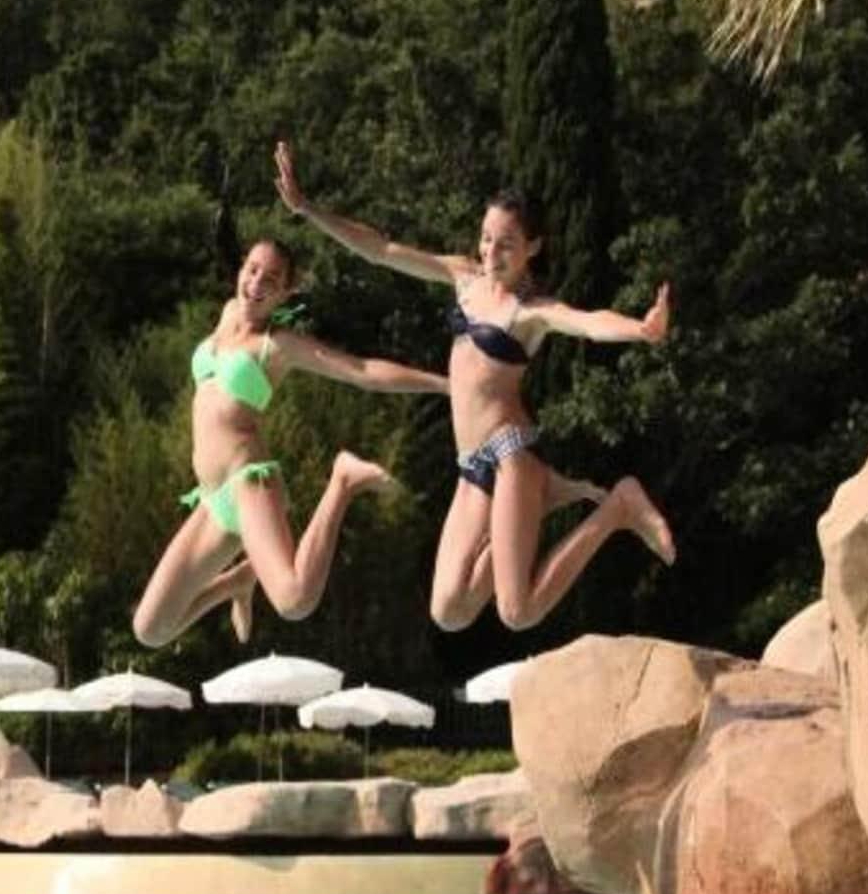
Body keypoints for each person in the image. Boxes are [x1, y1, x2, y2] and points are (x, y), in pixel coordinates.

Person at [274, 141, 676, 632]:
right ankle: (541, 502)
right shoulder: (463, 277)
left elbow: (589, 322)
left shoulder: (529, 312)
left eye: (505, 244)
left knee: (518, 612)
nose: (490, 252)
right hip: (471, 467)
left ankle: (618, 506)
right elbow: (380, 250)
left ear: (532, 247)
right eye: (486, 238)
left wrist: (640, 329)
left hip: (510, 454)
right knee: (448, 612)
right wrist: (308, 209)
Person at [131, 237, 447, 648]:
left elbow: (362, 370)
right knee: (151, 629)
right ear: (240, 270)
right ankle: (237, 583)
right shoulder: (227, 314)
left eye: (271, 279)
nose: (256, 283)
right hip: (212, 499)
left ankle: (343, 482)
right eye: (252, 270)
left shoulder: (279, 345)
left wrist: (445, 385)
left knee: (295, 600)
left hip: (248, 484)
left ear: (285, 293)